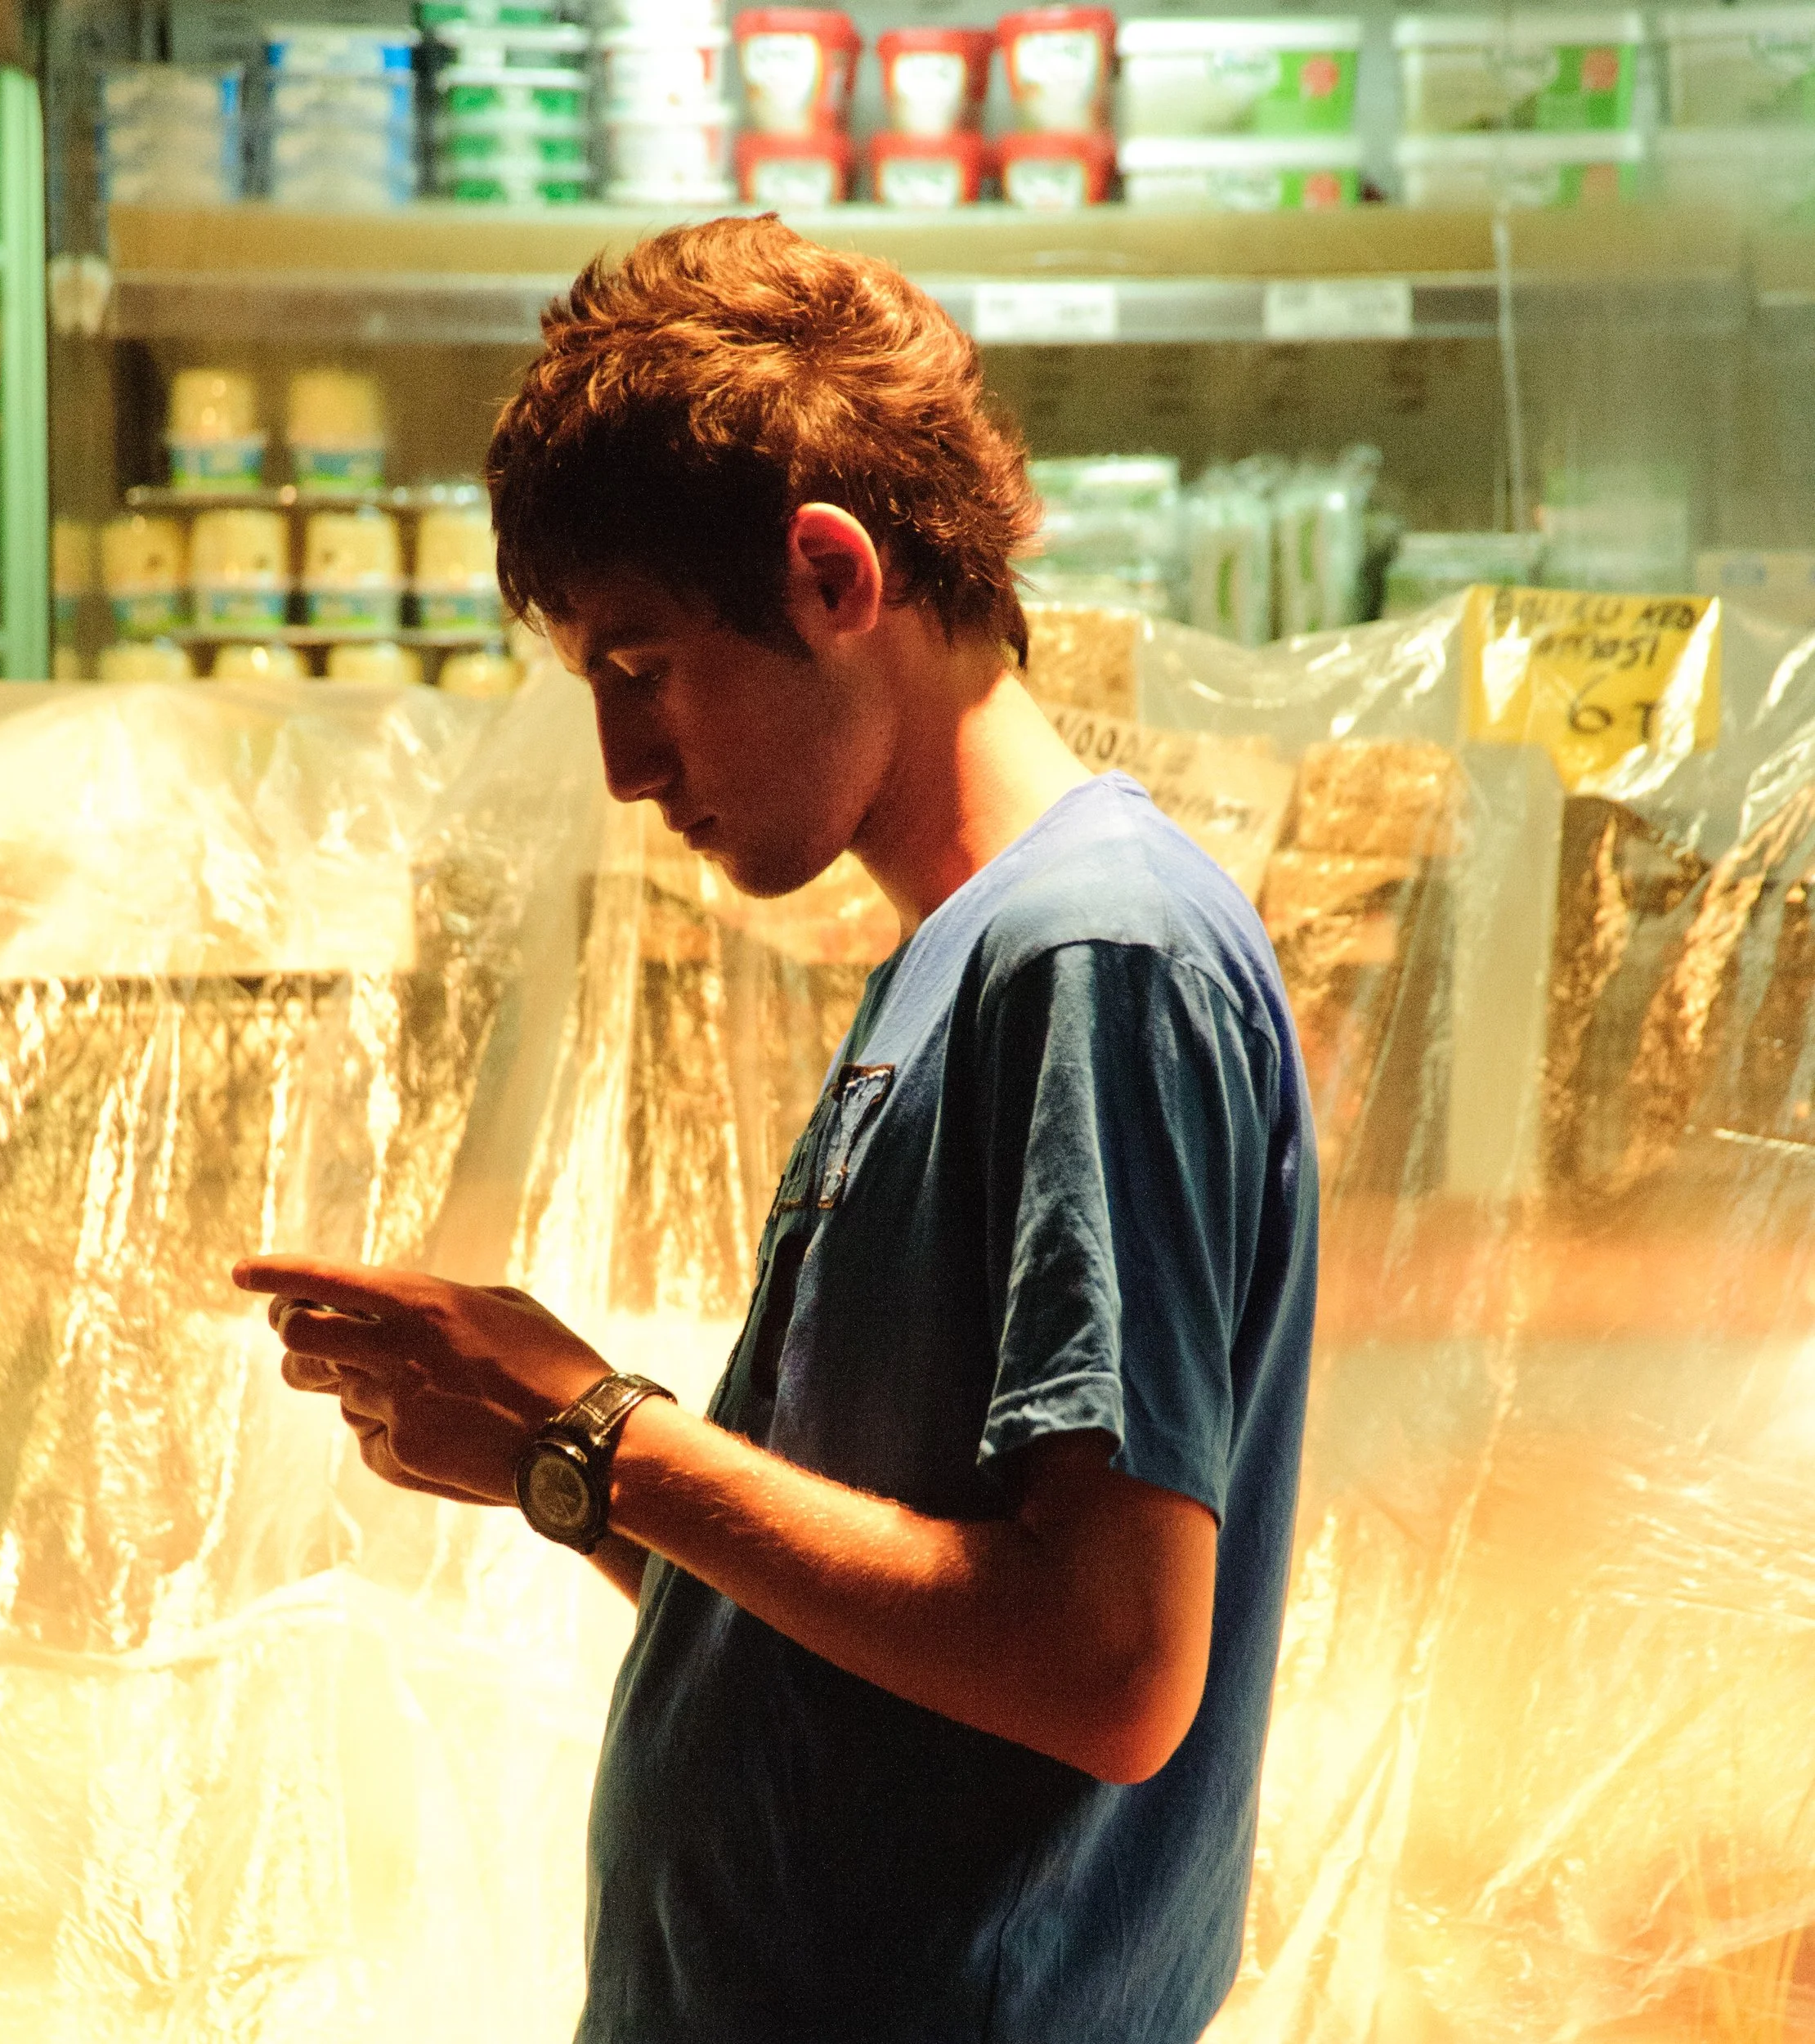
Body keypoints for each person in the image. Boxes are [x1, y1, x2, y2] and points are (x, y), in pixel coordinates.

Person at [235, 216, 1318, 2044]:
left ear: (829, 575)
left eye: (637, 663)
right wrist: (557, 1464)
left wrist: (606, 1426)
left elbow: (1111, 1662)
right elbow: (872, 1637)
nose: (623, 766)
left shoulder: (1094, 951)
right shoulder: (956, 963)